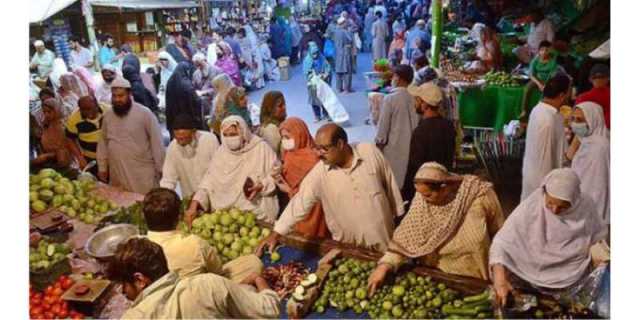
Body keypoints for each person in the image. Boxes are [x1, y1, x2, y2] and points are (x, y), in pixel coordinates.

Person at [257, 124, 405, 253]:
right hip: (350, 248)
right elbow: (299, 203)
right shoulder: (320, 173)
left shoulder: (369, 152)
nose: (318, 154)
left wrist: (399, 221)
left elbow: (389, 183)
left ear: (340, 144)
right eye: (316, 148)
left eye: (324, 149)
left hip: (384, 239)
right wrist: (276, 234)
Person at [368, 162, 504, 293]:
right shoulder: (422, 202)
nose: (423, 199)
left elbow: (501, 236)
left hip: (475, 277)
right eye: (420, 194)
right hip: (438, 279)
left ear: (445, 187)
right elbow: (405, 236)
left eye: (428, 195)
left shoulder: (479, 196)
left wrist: (501, 277)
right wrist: (384, 266)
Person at [490, 168, 608, 307]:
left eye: (563, 207)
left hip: (570, 281)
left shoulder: (586, 207)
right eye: (550, 203)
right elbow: (502, 242)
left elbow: (597, 240)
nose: (554, 211)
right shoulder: (533, 205)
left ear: (575, 200)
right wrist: (500, 280)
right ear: (544, 192)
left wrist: (600, 260)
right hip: (526, 278)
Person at [110, 238, 280, 319]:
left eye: (122, 284)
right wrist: (259, 280)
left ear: (140, 280)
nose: (122, 290)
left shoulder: (131, 317)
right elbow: (270, 310)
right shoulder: (206, 285)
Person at [185, 116, 280, 225]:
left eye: (233, 134)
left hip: (254, 215)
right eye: (225, 135)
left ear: (243, 132)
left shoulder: (261, 149)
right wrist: (194, 204)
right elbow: (208, 182)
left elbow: (276, 175)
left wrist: (262, 185)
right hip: (224, 218)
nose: (230, 139)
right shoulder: (221, 153)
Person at [97, 77, 165, 194]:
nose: (117, 99)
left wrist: (162, 169)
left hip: (141, 173)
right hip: (117, 171)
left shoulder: (144, 114)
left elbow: (157, 143)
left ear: (129, 94)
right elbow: (103, 142)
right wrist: (102, 167)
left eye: (121, 96)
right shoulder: (108, 116)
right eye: (114, 96)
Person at [143, 188, 224, 277]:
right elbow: (219, 272)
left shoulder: (138, 250)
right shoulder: (196, 244)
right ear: (178, 218)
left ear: (144, 218)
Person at [273, 117, 330, 239]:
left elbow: (313, 190)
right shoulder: (288, 154)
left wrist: (289, 190)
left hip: (313, 208)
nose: (284, 141)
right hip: (294, 206)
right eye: (282, 137)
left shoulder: (313, 158)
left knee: (314, 237)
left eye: (288, 137)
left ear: (300, 135)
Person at [402, 82, 456, 201]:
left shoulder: (420, 132)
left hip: (425, 191)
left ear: (424, 104)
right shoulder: (449, 126)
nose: (414, 103)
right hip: (443, 186)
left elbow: (414, 168)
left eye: (417, 100)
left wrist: (405, 195)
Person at [521, 74, 570, 201]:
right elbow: (544, 158)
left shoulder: (541, 110)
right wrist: (548, 187)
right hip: (542, 180)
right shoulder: (547, 119)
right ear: (561, 95)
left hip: (537, 177)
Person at [375, 65, 420, 188]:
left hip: (393, 149)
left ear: (399, 79)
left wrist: (378, 148)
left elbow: (382, 129)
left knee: (392, 186)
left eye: (394, 76)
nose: (392, 79)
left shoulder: (390, 99)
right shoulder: (413, 99)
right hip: (411, 148)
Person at [160, 115, 220, 198]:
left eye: (184, 138)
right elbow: (168, 178)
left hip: (213, 193)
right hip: (190, 196)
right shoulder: (173, 147)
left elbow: (217, 171)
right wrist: (163, 196)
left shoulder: (209, 140)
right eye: (178, 138)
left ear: (194, 132)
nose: (180, 141)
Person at [570, 102, 609, 224]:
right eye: (573, 119)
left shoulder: (600, 147)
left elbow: (598, 187)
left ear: (593, 120)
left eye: (580, 120)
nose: (575, 123)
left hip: (591, 212)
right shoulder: (587, 140)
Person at [31, 98, 83, 177]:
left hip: (65, 165)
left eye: (49, 111)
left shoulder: (65, 127)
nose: (46, 115)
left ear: (57, 110)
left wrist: (48, 156)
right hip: (50, 163)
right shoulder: (45, 125)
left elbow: (66, 151)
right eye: (44, 112)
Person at [65, 95, 107, 174]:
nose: (87, 112)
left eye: (89, 109)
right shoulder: (74, 119)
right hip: (91, 159)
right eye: (83, 109)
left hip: (110, 156)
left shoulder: (107, 110)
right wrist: (80, 157)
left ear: (97, 105)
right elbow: (69, 138)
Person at [165, 62, 207, 138]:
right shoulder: (186, 84)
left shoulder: (170, 81)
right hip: (186, 116)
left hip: (173, 116)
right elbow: (195, 101)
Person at [520, 41, 559, 121]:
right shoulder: (535, 60)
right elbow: (531, 74)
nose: (544, 52)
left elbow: (552, 76)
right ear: (539, 51)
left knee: (546, 93)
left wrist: (545, 85)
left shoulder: (553, 62)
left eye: (546, 50)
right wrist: (539, 84)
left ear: (549, 51)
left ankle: (540, 113)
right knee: (526, 89)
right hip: (536, 79)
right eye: (542, 50)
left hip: (548, 80)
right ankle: (524, 110)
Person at [303, 42, 332, 122]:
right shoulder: (307, 60)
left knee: (324, 99)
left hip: (323, 81)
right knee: (314, 100)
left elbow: (327, 67)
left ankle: (326, 114)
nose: (315, 55)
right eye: (313, 54)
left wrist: (325, 74)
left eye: (316, 53)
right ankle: (317, 115)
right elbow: (306, 72)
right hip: (313, 84)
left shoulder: (322, 58)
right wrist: (313, 76)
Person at [576, 64, 610, 129]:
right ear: (608, 78)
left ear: (590, 79)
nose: (598, 79)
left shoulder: (582, 98)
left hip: (589, 135)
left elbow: (576, 123)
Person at [332, 17, 354, 93]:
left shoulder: (335, 31)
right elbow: (350, 40)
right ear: (342, 24)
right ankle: (347, 89)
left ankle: (339, 88)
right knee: (347, 71)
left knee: (338, 71)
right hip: (345, 53)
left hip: (337, 53)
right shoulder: (344, 32)